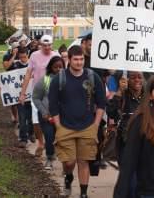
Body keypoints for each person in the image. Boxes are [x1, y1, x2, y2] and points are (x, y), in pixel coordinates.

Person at [48, 45, 106, 198]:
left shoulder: (93, 77)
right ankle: (68, 177)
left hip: (88, 126)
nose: (79, 62)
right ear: (69, 60)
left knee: (83, 161)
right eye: (76, 59)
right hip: (65, 127)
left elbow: (101, 103)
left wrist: (96, 125)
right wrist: (58, 125)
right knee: (69, 162)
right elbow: (53, 105)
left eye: (81, 59)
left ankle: (83, 193)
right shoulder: (60, 78)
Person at [19, 34, 58, 157]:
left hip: (52, 95)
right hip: (37, 94)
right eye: (44, 45)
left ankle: (52, 143)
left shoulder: (55, 56)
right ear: (40, 45)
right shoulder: (34, 56)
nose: (47, 47)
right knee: (36, 121)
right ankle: (41, 143)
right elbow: (28, 74)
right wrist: (22, 93)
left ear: (52, 45)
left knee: (51, 121)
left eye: (49, 45)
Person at [33, 56, 64, 170]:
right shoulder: (45, 80)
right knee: (50, 137)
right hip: (47, 117)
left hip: (62, 117)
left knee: (63, 139)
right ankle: (49, 158)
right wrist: (44, 112)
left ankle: (66, 163)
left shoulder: (66, 80)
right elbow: (36, 98)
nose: (58, 69)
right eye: (56, 67)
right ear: (51, 67)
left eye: (61, 67)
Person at [15, 48, 34, 147]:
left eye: (24, 57)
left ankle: (31, 133)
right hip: (20, 97)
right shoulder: (15, 65)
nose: (23, 59)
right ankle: (23, 138)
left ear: (28, 55)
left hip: (32, 98)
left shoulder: (33, 65)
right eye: (21, 57)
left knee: (31, 118)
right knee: (22, 119)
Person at [2, 41, 20, 124]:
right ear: (12, 49)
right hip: (11, 81)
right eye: (15, 48)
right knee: (14, 103)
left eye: (18, 48)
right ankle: (15, 117)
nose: (17, 49)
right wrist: (13, 56)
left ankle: (20, 118)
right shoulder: (6, 56)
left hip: (20, 81)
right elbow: (6, 67)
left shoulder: (22, 55)